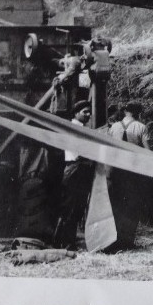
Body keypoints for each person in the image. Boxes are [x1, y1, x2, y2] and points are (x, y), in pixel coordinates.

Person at [55, 100, 95, 249]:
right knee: (71, 207)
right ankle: (64, 242)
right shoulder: (73, 128)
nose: (88, 115)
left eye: (89, 112)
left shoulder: (81, 128)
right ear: (76, 113)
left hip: (79, 169)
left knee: (76, 207)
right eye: (85, 112)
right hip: (75, 169)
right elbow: (79, 153)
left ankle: (66, 241)